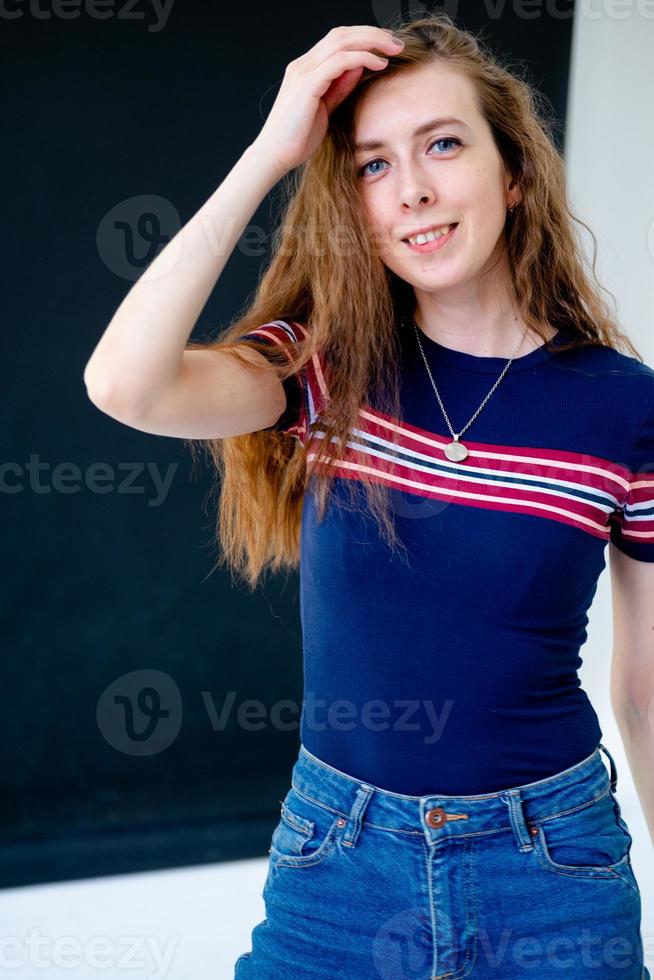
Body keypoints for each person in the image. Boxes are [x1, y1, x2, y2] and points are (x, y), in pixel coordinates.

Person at [84, 14, 654, 979]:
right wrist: (274, 150)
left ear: (514, 174)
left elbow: (644, 685)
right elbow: (125, 386)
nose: (416, 190)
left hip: (553, 864)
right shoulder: (322, 365)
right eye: (372, 166)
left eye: (442, 144)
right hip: (339, 865)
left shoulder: (625, 410)